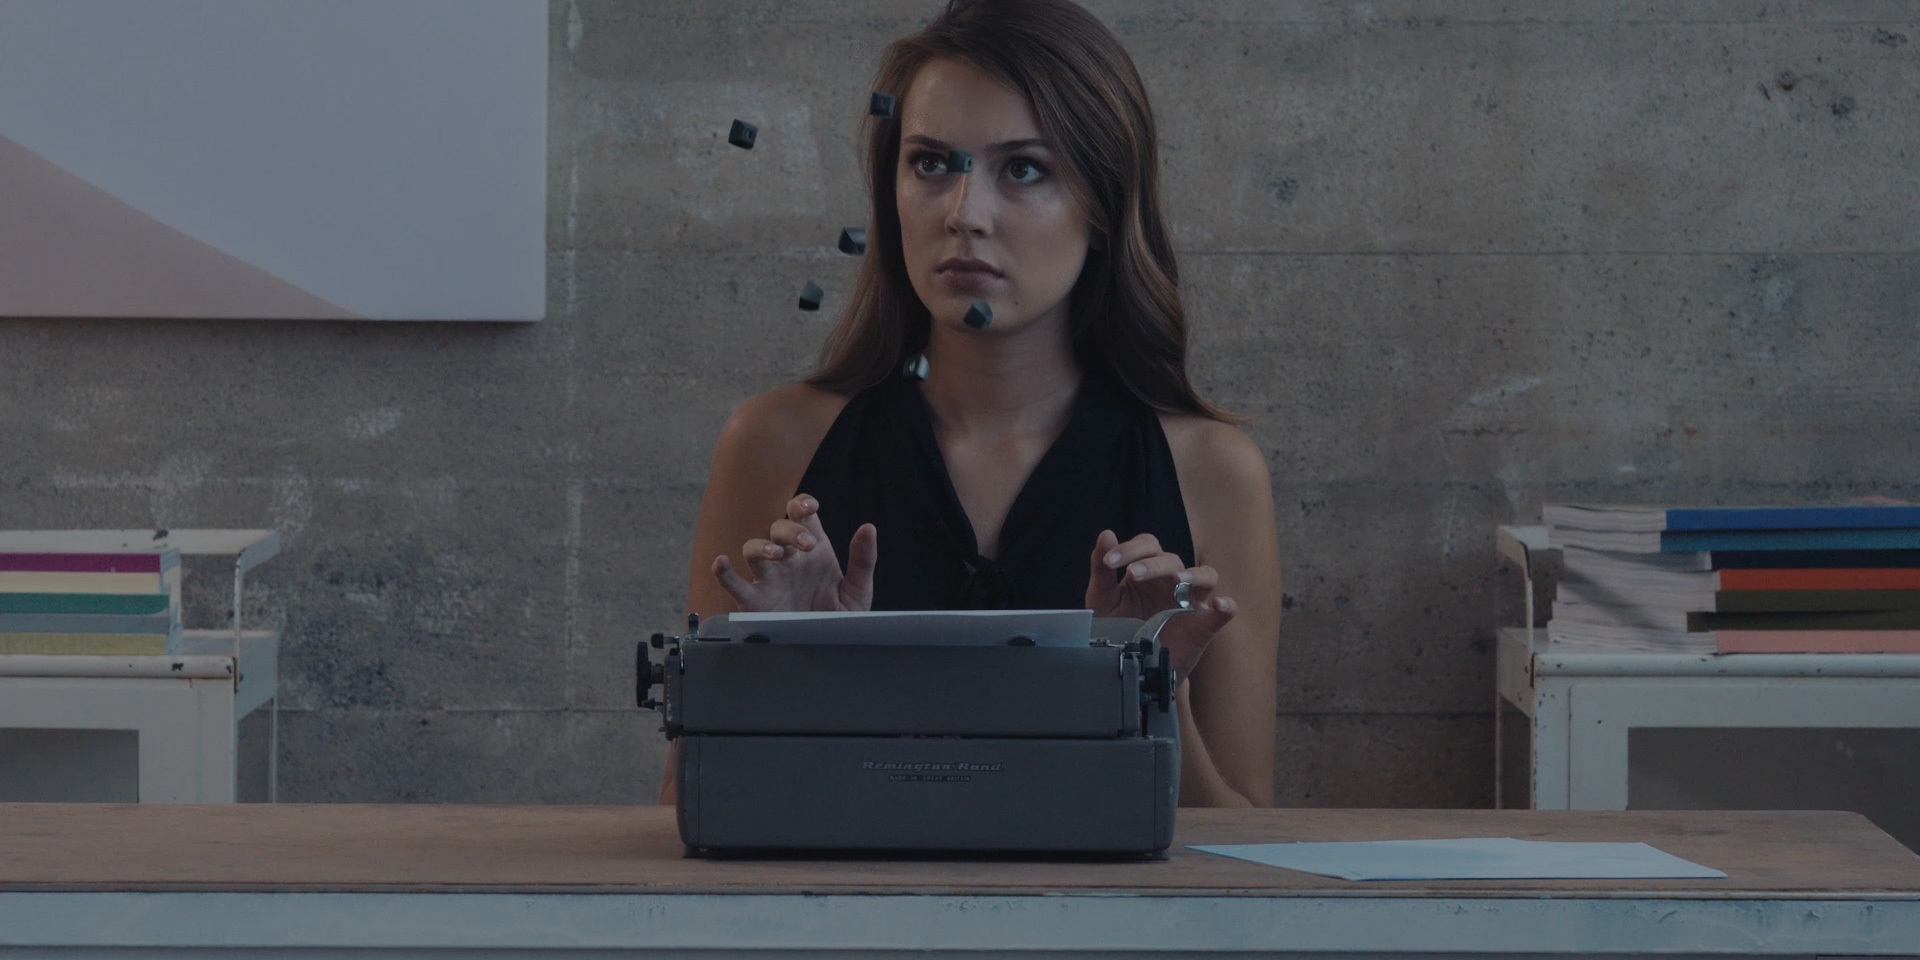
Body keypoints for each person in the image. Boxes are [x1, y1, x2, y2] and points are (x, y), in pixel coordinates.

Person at [666, 0, 1280, 807]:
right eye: (929, 164)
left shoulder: (1212, 471)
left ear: (1102, 206)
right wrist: (778, 667)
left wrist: (1151, 678)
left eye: (1022, 169)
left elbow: (1240, 842)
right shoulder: (775, 441)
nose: (964, 215)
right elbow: (690, 805)